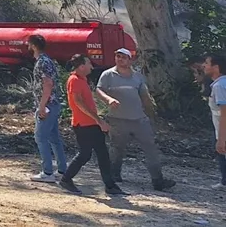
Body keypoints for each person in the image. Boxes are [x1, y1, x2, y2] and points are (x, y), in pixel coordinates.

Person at [96, 47, 177, 191]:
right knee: (117, 149)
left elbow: (144, 97)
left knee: (150, 148)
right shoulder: (107, 75)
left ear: (130, 60)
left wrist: (151, 116)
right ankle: (114, 175)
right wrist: (108, 99)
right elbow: (99, 90)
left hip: (139, 119)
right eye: (117, 56)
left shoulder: (138, 77)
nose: (120, 59)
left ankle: (158, 180)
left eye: (123, 57)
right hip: (117, 120)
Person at [58, 54, 125, 195]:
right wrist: (99, 120)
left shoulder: (82, 79)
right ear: (81, 66)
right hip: (83, 124)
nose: (92, 67)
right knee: (85, 154)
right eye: (89, 64)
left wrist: (97, 120)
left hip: (90, 123)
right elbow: (78, 103)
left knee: (102, 153)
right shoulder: (74, 80)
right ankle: (66, 179)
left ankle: (110, 186)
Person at [28, 34, 68, 182]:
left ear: (32, 45)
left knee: (40, 137)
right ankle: (62, 169)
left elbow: (47, 84)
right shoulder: (47, 60)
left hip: (48, 105)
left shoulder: (42, 62)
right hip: (54, 103)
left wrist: (42, 106)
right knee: (53, 137)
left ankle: (47, 172)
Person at [203, 54, 226, 189]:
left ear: (216, 67)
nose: (204, 66)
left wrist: (221, 138)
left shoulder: (219, 87)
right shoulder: (220, 84)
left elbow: (224, 113)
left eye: (207, 63)